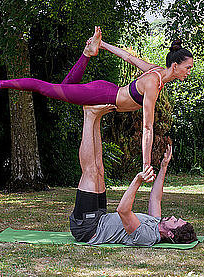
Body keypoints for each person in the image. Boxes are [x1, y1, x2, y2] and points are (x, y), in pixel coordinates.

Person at [0, 27, 195, 171]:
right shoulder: (153, 83)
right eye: (188, 67)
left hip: (107, 91)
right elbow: (147, 127)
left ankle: (88, 53)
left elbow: (128, 56)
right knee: (45, 88)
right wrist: (146, 165)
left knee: (64, 88)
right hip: (103, 94)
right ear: (175, 66)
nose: (189, 71)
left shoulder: (156, 73)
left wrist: (103, 44)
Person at [69, 104, 197, 246]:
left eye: (175, 221)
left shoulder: (147, 236)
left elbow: (123, 210)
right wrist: (164, 167)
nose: (172, 217)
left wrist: (137, 180)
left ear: (170, 234)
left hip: (88, 229)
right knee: (99, 169)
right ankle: (96, 118)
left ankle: (89, 116)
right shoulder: (157, 223)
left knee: (90, 172)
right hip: (100, 218)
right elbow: (155, 199)